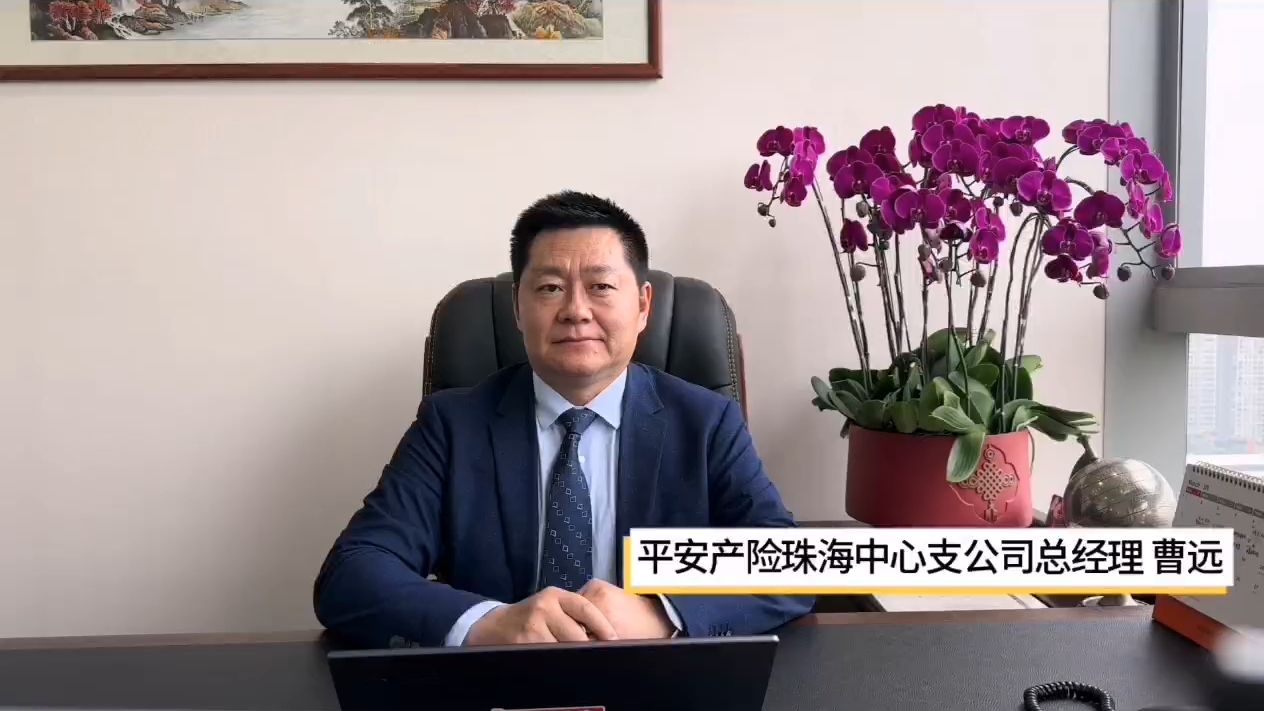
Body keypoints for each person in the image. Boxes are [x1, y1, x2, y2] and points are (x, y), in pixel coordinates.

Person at [313, 191, 814, 649]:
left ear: (643, 306)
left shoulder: (706, 423)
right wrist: (487, 622)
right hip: (499, 686)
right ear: (517, 307)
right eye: (550, 288)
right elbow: (353, 573)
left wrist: (661, 614)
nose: (576, 310)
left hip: (659, 682)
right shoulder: (453, 425)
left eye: (601, 286)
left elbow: (796, 565)